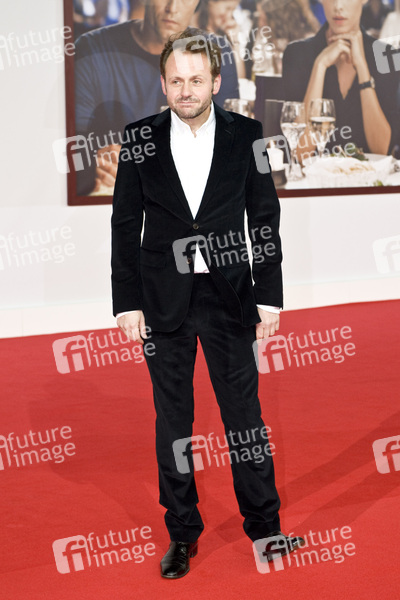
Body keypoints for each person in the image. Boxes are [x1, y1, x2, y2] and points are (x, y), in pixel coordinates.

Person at [111, 28, 304, 578]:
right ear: (163, 83)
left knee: (245, 419)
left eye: (196, 80)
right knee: (173, 422)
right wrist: (127, 303)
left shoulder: (249, 134)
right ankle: (181, 534)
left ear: (216, 82)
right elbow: (124, 224)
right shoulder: (140, 137)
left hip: (229, 297)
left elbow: (264, 219)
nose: (186, 90)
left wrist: (269, 297)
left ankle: (265, 529)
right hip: (162, 300)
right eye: (176, 80)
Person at [74, 0, 239, 195]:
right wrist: (97, 164)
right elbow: (72, 148)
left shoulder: (216, 53)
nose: (172, 8)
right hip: (114, 196)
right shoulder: (92, 49)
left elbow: (229, 149)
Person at [282, 0, 399, 161]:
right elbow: (301, 153)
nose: (338, 6)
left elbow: (382, 150)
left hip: (368, 174)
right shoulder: (297, 53)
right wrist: (320, 66)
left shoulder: (386, 56)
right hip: (314, 174)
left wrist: (362, 68)